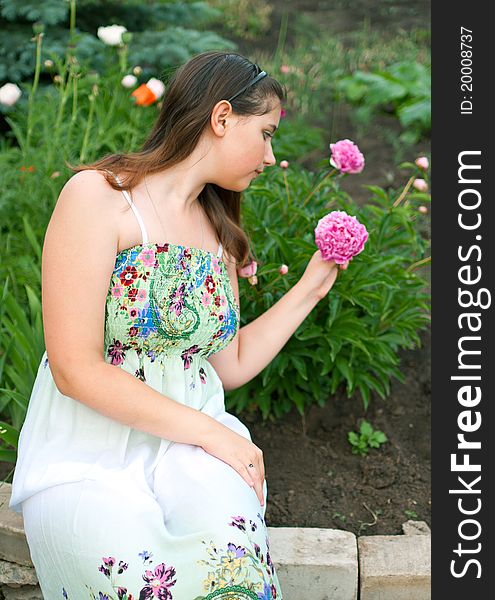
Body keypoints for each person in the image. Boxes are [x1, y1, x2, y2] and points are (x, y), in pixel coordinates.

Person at [9, 50, 348, 599]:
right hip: (87, 455)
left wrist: (313, 284)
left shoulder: (219, 232)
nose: (268, 156)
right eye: (264, 134)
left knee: (234, 573)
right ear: (220, 118)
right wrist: (215, 434)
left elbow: (229, 364)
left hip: (188, 456)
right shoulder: (101, 197)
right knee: (140, 582)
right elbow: (74, 368)